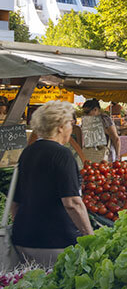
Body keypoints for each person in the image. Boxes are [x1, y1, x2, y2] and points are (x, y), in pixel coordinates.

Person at [11, 101, 93, 267]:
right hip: (55, 242)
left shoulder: (28, 152)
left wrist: (24, 227)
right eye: (71, 122)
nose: (72, 127)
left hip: (23, 239)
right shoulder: (62, 154)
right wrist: (91, 238)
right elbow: (72, 203)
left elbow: (15, 202)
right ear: (60, 126)